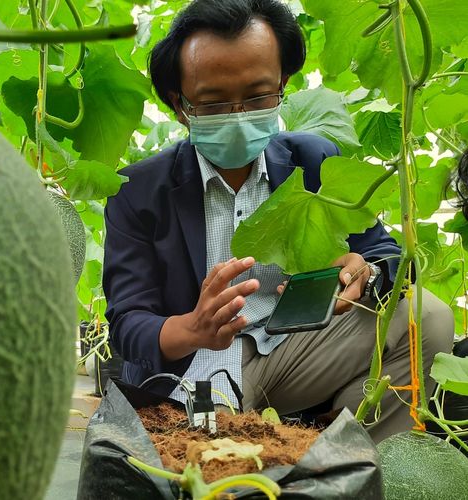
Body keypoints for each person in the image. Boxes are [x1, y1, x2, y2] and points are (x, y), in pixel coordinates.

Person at [102, 0, 454, 442]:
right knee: (212, 466)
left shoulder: (313, 162)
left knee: (427, 316)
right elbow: (127, 321)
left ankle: (351, 458)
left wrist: (364, 271)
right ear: (179, 105)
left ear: (283, 84)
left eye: (257, 96)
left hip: (294, 352)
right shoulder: (138, 190)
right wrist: (189, 329)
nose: (238, 116)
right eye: (213, 103)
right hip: (192, 373)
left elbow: (388, 254)